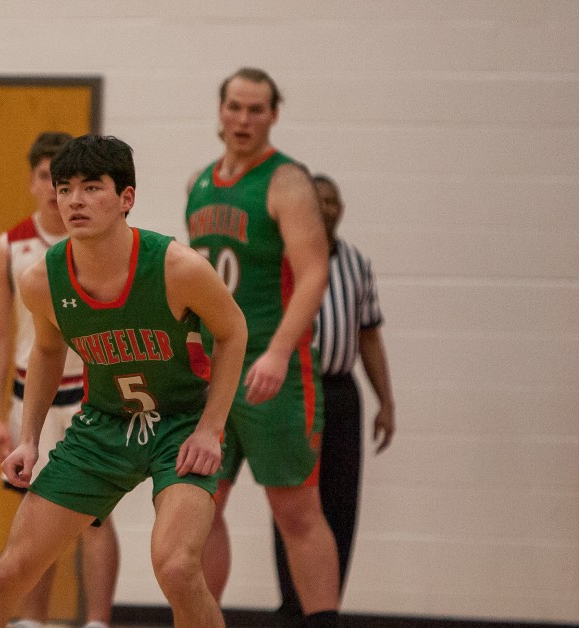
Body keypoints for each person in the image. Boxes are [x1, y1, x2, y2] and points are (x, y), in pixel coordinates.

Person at [0, 134, 249, 628]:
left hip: (179, 424)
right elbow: (46, 351)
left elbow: (234, 331)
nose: (74, 200)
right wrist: (28, 438)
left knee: (176, 568)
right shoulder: (41, 280)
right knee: (12, 571)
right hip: (104, 424)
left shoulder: (178, 268)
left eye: (92, 188)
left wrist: (210, 428)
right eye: (65, 188)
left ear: (126, 199)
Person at [184, 67, 341, 627]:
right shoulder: (199, 183)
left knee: (295, 511)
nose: (244, 120)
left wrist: (277, 351)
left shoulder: (286, 181)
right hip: (212, 374)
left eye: (256, 110)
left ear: (273, 115)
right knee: (201, 507)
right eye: (235, 107)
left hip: (273, 369)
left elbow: (315, 272)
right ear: (220, 111)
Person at [0, 131, 119, 628]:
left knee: (96, 519)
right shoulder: (9, 247)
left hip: (89, 394)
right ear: (36, 182)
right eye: (50, 178)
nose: (58, 191)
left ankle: (99, 621)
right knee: (36, 521)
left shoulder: (102, 241)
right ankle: (33, 622)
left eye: (74, 182)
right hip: (31, 394)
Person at [271, 174, 396, 625]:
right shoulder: (282, 260)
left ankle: (326, 610)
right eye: (316, 200)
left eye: (331, 199)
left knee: (341, 504)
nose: (324, 207)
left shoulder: (357, 263)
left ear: (340, 206)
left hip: (342, 393)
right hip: (295, 387)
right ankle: (292, 607)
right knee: (295, 503)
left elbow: (369, 338)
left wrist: (387, 401)